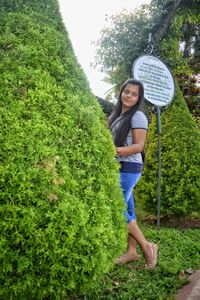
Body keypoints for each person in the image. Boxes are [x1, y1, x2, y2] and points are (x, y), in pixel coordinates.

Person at [109, 78, 158, 269]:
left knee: (115, 207)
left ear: (139, 98)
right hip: (118, 167)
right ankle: (131, 252)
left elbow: (139, 146)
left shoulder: (137, 116)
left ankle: (147, 247)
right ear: (121, 93)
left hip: (128, 168)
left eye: (134, 94)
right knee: (128, 211)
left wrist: (115, 151)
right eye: (126, 92)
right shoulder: (115, 116)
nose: (129, 96)